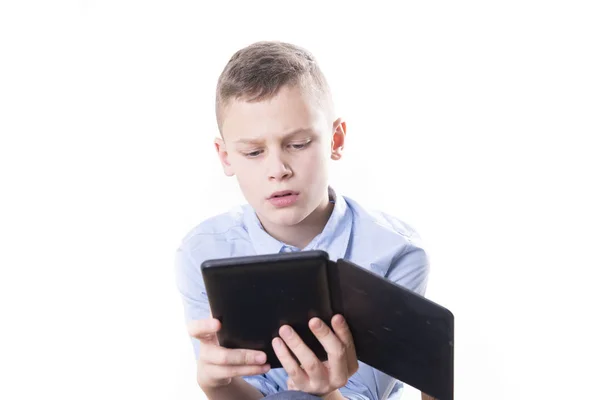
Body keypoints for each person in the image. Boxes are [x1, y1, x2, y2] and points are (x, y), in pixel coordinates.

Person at [174, 41, 431, 400]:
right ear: (226, 156)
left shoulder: (396, 252)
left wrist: (326, 393)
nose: (278, 170)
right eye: (253, 152)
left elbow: (365, 395)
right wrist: (214, 383)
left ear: (335, 140)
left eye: (298, 144)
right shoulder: (201, 251)